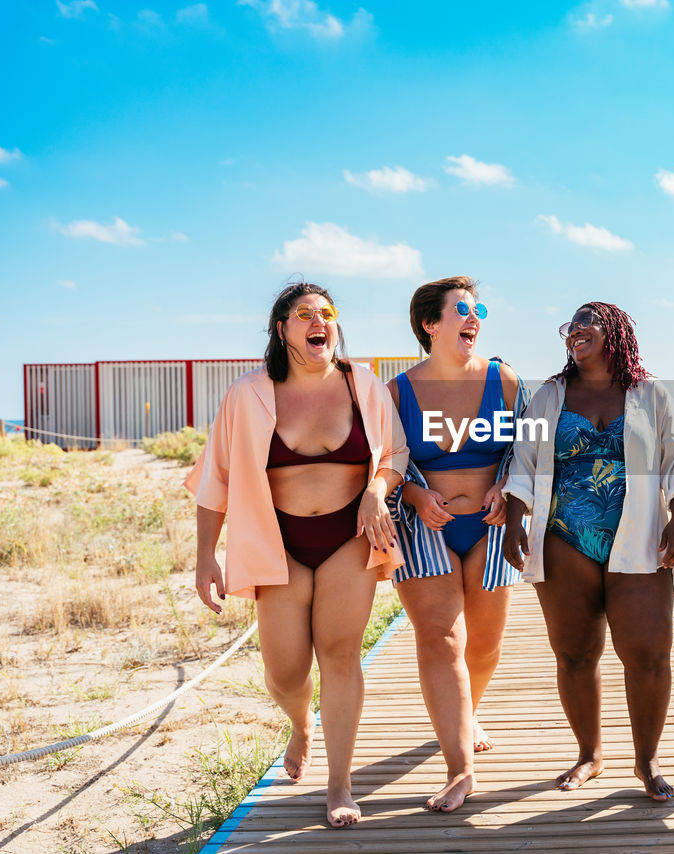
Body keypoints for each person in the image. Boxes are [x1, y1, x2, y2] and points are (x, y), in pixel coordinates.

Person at [188, 282, 406, 828]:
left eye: (327, 313)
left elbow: (395, 452)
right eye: (304, 314)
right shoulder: (248, 394)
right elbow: (216, 478)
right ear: (282, 329)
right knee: (284, 672)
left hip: (347, 540)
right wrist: (204, 557)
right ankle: (301, 723)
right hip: (275, 542)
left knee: (339, 654)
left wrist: (376, 491)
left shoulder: (363, 385)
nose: (319, 321)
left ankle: (339, 783)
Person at [503, 302, 674, 801]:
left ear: (617, 333)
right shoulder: (550, 395)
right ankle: (589, 754)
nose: (577, 329)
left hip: (639, 537)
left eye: (589, 320)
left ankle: (646, 759)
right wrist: (512, 521)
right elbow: (523, 460)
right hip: (565, 537)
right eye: (572, 324)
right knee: (574, 653)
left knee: (649, 654)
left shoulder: (649, 394)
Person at [386, 276, 525, 813]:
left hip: (491, 526)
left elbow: (528, 450)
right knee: (442, 638)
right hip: (425, 527)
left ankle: (467, 712)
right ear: (430, 323)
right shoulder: (397, 392)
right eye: (461, 309)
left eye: (478, 310)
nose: (474, 319)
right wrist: (417, 493)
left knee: (485, 645)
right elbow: (386, 461)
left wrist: (505, 489)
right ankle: (459, 767)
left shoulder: (505, 381)